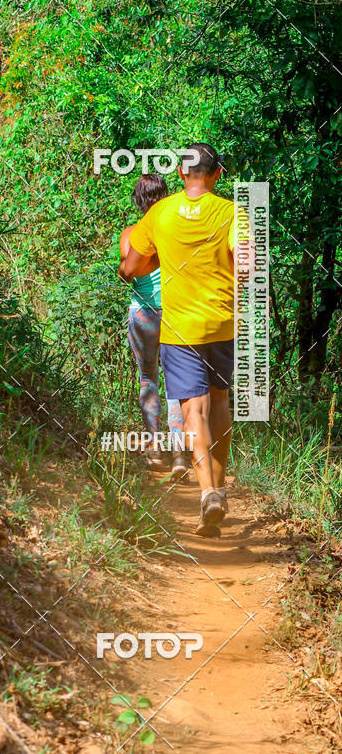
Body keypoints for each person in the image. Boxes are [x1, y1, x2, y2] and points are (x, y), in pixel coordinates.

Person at [119, 144, 243, 537]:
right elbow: (250, 263)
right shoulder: (232, 212)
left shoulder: (161, 213)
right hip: (222, 324)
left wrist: (160, 259)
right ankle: (218, 489)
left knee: (194, 410)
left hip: (180, 329)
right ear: (217, 174)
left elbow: (130, 267)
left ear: (180, 174)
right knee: (220, 400)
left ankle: (207, 491)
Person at [119, 174, 186, 480]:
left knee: (148, 378)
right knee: (177, 383)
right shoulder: (179, 232)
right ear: (165, 196)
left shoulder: (131, 234)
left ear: (138, 199)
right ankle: (180, 456)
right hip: (175, 313)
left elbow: (126, 271)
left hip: (143, 314)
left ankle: (154, 448)